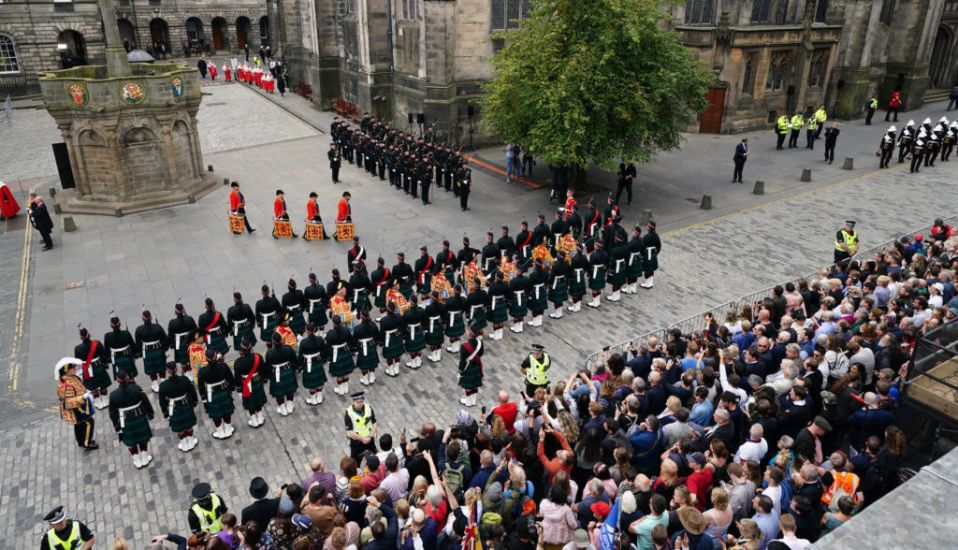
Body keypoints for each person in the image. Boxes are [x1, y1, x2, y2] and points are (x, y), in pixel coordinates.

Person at [108, 369, 155, 469]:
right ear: (127, 378)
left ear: (117, 380)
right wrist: (150, 413)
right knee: (143, 437)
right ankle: (144, 457)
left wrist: (116, 425)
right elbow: (145, 401)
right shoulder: (136, 388)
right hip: (139, 416)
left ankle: (137, 459)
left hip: (125, 421)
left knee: (130, 440)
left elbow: (112, 413)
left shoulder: (113, 395)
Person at [55, 357, 98, 450]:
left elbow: (80, 388)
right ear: (67, 371)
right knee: (89, 423)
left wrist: (86, 392)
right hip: (77, 410)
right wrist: (82, 397)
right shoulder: (67, 385)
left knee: (79, 426)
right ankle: (87, 442)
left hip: (81, 406)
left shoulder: (72, 377)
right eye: (73, 368)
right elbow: (69, 402)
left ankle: (81, 441)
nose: (75, 369)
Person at [158, 361, 200, 452]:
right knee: (188, 424)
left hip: (174, 408)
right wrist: (194, 401)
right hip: (186, 404)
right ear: (176, 369)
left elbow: (162, 402)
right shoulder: (184, 379)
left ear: (167, 371)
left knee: (180, 427)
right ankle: (191, 441)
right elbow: (192, 391)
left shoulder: (163, 386)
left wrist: (165, 412)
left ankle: (184, 444)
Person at [197, 349, 237, 439]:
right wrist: (231, 389)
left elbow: (201, 387)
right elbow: (231, 379)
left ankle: (220, 433)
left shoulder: (202, 371)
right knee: (227, 411)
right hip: (224, 391)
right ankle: (228, 430)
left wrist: (204, 399)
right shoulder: (223, 366)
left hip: (211, 394)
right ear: (216, 357)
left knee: (216, 415)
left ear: (206, 359)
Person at [266, 330, 299, 416]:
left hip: (276, 374)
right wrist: (294, 369)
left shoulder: (269, 353)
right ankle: (290, 406)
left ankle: (283, 409)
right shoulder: (288, 348)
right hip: (288, 371)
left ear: (273, 341)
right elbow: (295, 360)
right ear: (281, 340)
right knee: (290, 389)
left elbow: (268, 367)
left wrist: (269, 376)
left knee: (279, 392)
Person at [135, 310, 169, 393]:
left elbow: (138, 343)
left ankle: (155, 384)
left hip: (147, 352)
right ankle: (163, 381)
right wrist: (164, 348)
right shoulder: (157, 327)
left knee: (151, 370)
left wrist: (139, 353)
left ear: (142, 318)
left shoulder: (139, 329)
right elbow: (164, 339)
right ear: (151, 317)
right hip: (158, 349)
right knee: (161, 368)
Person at [345, 391, 378, 460]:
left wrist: (370, 436)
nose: (360, 404)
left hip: (369, 439)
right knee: (355, 461)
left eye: (361, 401)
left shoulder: (369, 408)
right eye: (358, 402)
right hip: (357, 442)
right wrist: (362, 439)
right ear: (353, 402)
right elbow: (349, 432)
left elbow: (374, 423)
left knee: (374, 458)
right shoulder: (349, 413)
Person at [458, 322, 484, 406]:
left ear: (470, 332)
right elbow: (480, 354)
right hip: (477, 366)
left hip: (468, 367)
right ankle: (473, 400)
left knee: (468, 386)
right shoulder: (480, 343)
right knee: (475, 384)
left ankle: (468, 402)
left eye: (469, 329)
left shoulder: (464, 346)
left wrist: (461, 370)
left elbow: (462, 361)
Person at [640, 221, 661, 289]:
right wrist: (656, 253)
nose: (646, 227)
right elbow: (659, 245)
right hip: (653, 254)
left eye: (647, 226)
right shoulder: (656, 235)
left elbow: (642, 247)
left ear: (649, 228)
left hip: (647, 254)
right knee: (651, 269)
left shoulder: (646, 237)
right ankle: (650, 282)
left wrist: (642, 255)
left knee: (647, 269)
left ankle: (647, 284)